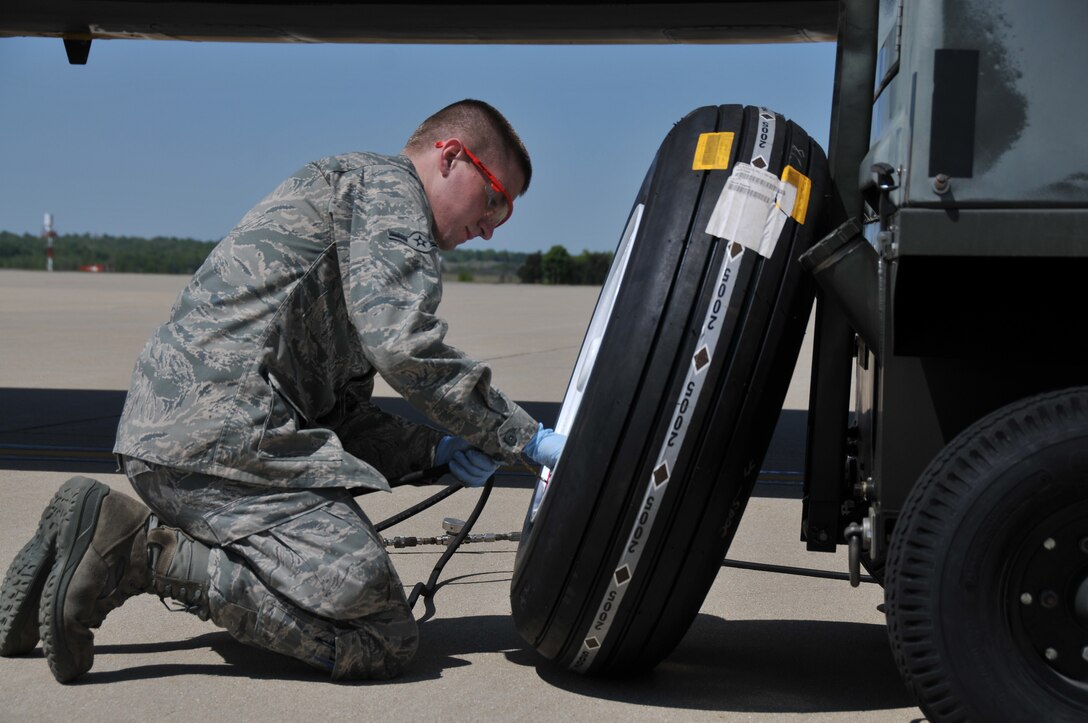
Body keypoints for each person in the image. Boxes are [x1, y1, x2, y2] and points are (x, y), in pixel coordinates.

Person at [0, 99, 566, 682]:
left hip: (183, 438)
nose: (492, 224)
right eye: (494, 197)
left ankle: (66, 560)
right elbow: (404, 345)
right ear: (450, 157)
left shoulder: (356, 195)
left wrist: (434, 452)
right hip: (226, 445)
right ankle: (137, 553)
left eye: (508, 213)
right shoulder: (393, 196)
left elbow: (336, 414)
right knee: (381, 633)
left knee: (352, 591)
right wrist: (522, 439)